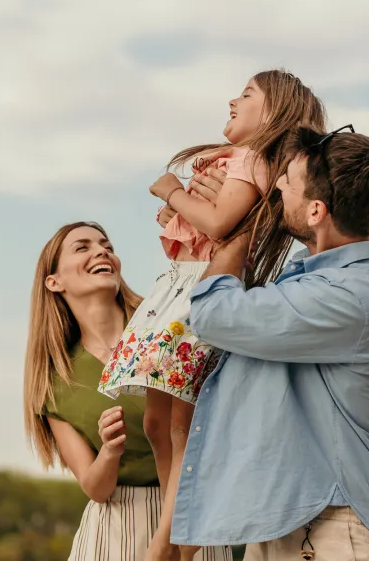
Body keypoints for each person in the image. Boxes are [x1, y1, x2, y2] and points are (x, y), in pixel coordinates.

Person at [98, 70, 326, 560]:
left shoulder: (249, 160)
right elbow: (210, 227)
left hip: (196, 294)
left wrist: (172, 193)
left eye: (246, 94)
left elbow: (221, 223)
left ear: (273, 112)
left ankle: (169, 544)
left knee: (180, 426)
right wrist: (181, 215)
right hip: (178, 289)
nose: (232, 100)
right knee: (159, 424)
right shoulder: (236, 163)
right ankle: (175, 528)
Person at [169, 125, 369, 561]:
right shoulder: (319, 279)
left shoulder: (349, 296)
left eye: (288, 182)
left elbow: (214, 314)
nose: (276, 185)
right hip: (294, 522)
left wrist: (241, 227)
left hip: (338, 530)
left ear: (317, 210)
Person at [23, 221, 232, 560]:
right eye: (83, 247)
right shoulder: (54, 382)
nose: (101, 251)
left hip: (189, 517)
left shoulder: (168, 325)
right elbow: (95, 488)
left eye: (106, 245)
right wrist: (109, 451)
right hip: (113, 531)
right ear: (54, 281)